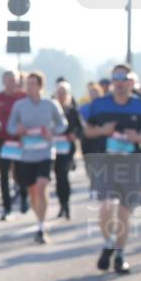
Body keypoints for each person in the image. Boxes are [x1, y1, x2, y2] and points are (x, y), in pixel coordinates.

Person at [83, 63, 141, 274]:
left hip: (132, 164)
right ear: (111, 81)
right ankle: (109, 242)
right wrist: (102, 130)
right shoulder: (99, 105)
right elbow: (87, 131)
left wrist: (137, 137)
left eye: (123, 78)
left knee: (124, 212)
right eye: (116, 78)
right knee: (106, 208)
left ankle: (119, 255)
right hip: (105, 163)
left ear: (131, 82)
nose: (119, 82)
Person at [6, 71, 68, 244]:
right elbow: (10, 127)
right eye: (27, 84)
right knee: (33, 191)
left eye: (32, 84)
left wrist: (51, 133)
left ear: (41, 86)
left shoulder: (50, 104)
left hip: (45, 152)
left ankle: (41, 227)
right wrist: (18, 130)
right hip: (26, 154)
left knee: (41, 187)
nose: (29, 87)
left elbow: (62, 124)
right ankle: (39, 220)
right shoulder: (19, 105)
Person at [0, 69, 29, 219]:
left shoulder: (24, 97)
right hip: (4, 141)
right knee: (4, 176)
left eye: (14, 79)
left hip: (20, 141)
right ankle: (6, 207)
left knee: (21, 173)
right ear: (3, 81)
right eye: (8, 79)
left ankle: (24, 198)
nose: (11, 82)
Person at [52, 80, 84, 220]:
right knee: (58, 176)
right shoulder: (51, 110)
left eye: (64, 93)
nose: (61, 95)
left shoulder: (72, 110)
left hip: (67, 148)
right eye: (59, 93)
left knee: (63, 175)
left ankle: (66, 204)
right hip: (54, 147)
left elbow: (80, 129)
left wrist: (74, 135)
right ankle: (61, 203)